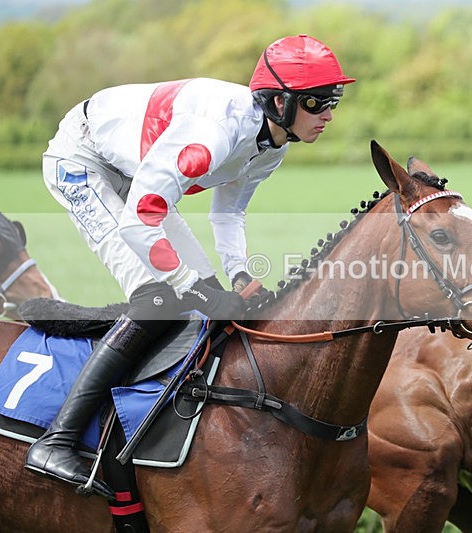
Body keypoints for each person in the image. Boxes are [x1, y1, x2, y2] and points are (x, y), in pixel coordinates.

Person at [25, 34, 355, 498]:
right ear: (279, 102)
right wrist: (192, 286)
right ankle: (55, 441)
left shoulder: (273, 145)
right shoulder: (212, 137)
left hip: (136, 172)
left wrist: (239, 277)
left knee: (210, 299)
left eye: (333, 101)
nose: (329, 115)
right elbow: (140, 221)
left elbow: (229, 213)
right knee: (159, 298)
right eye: (317, 102)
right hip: (84, 160)